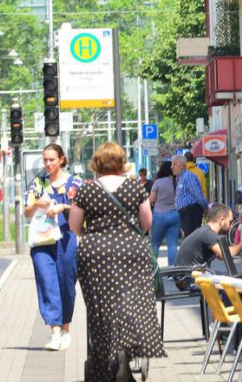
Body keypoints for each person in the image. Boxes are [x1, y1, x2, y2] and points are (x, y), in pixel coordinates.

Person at [68, 142, 165, 380]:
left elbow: (74, 226)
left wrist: (97, 237)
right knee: (133, 302)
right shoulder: (134, 187)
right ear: (122, 162)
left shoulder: (87, 190)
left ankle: (104, 355)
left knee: (100, 308)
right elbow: (146, 221)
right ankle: (128, 347)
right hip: (131, 252)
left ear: (97, 163)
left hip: (96, 255)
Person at [24, 144, 82, 351]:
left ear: (62, 159)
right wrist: (36, 205)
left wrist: (63, 207)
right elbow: (26, 212)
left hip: (66, 238)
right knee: (47, 283)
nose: (48, 164)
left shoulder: (74, 182)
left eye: (52, 160)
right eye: (45, 160)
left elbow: (83, 208)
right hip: (42, 240)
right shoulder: (38, 183)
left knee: (66, 283)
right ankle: (55, 332)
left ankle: (65, 329)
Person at [173, 204, 242, 290]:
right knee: (237, 281)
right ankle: (229, 303)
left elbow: (220, 255)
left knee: (235, 278)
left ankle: (227, 303)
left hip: (188, 276)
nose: (230, 226)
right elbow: (224, 254)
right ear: (222, 220)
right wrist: (241, 245)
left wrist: (235, 248)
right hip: (188, 279)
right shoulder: (208, 234)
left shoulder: (205, 231)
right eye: (230, 222)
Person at [148, 161, 180, 266]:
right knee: (172, 244)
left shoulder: (158, 182)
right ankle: (172, 271)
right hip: (175, 215)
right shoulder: (177, 181)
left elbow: (151, 200)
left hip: (159, 215)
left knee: (155, 244)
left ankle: (153, 270)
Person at [173, 153, 208, 238]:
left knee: (191, 238)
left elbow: (197, 194)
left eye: (174, 164)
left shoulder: (188, 176)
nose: (172, 167)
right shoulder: (180, 178)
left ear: (181, 166)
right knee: (188, 238)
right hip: (185, 213)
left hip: (190, 211)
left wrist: (205, 207)